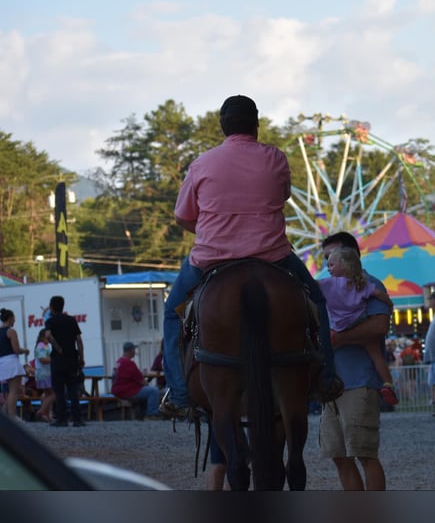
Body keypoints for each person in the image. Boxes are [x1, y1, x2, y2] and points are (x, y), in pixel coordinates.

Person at [161, 94, 342, 419]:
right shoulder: (275, 158)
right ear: (256, 125)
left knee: (172, 315)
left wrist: (209, 233)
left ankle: (179, 394)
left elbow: (182, 216)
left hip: (211, 260)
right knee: (318, 303)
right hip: (272, 257)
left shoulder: (201, 163)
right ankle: (325, 379)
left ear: (222, 127)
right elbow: (281, 196)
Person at [318, 232, 391, 491]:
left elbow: (379, 326)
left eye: (332, 257)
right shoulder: (327, 288)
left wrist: (338, 339)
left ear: (351, 256)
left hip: (360, 380)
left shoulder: (369, 284)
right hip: (331, 383)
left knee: (364, 453)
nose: (327, 264)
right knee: (339, 456)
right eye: (325, 258)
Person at [320, 246, 398, 406]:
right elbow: (379, 295)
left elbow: (310, 287)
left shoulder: (329, 284)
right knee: (376, 356)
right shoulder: (362, 284)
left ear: (344, 265)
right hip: (359, 323)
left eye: (331, 264)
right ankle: (388, 384)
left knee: (325, 352)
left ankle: (321, 380)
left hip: (338, 327)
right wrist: (389, 305)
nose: (328, 268)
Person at [45, 295, 86, 427]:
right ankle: (77, 419)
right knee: (73, 389)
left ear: (52, 307)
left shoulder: (50, 321)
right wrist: (81, 357)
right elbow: (79, 340)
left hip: (57, 359)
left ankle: (61, 418)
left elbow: (48, 335)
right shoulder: (71, 320)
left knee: (59, 390)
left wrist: (57, 347)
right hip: (72, 359)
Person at [112, 342, 162, 420]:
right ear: (131, 351)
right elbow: (141, 380)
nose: (135, 352)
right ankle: (152, 414)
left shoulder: (119, 362)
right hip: (127, 391)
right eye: (134, 350)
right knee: (154, 391)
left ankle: (143, 414)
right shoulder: (129, 363)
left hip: (118, 390)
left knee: (146, 391)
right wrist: (147, 384)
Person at [0, 308, 30, 419]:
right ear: (10, 318)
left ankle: (4, 418)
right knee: (13, 392)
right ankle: (12, 418)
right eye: (14, 319)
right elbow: (16, 349)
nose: (14, 321)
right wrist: (25, 351)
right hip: (11, 362)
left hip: (1, 363)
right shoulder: (11, 331)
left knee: (8, 393)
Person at [33, 328, 56, 422]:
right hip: (45, 373)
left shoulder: (45, 345)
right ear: (43, 336)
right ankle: (41, 411)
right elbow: (43, 359)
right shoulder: (42, 345)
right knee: (53, 394)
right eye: (49, 335)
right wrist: (55, 360)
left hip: (43, 373)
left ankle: (48, 415)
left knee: (47, 394)